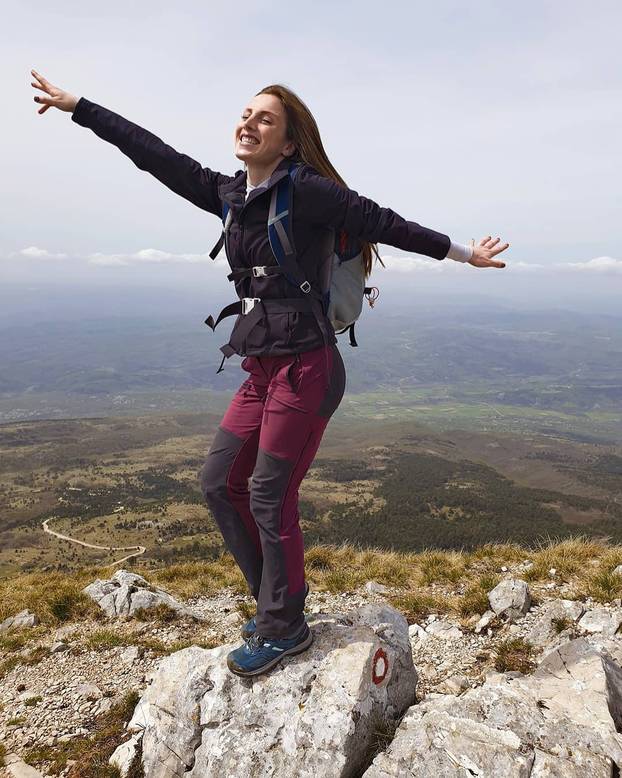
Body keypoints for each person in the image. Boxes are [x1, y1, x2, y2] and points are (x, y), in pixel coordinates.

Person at [30, 69, 509, 678]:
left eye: (265, 119)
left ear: (287, 143)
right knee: (218, 482)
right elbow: (153, 155)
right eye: (245, 113)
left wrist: (467, 254)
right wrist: (81, 107)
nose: (248, 123)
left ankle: (284, 626)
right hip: (261, 364)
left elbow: (384, 222)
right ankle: (273, 606)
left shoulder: (307, 191)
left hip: (308, 367)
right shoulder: (230, 194)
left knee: (267, 491)